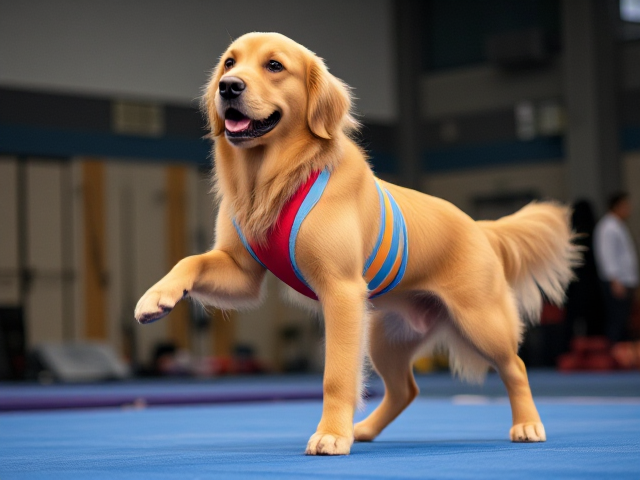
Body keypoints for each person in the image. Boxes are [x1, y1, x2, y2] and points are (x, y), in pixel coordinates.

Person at [593, 193, 639, 344]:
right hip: (617, 281)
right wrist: (614, 280)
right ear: (617, 206)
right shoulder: (608, 227)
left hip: (625, 280)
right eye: (626, 206)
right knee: (617, 320)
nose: (629, 209)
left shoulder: (618, 226)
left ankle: (622, 356)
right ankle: (613, 356)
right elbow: (607, 256)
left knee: (625, 321)